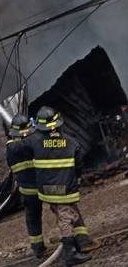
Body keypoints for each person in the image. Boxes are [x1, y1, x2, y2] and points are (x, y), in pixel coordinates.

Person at [28, 106, 93, 265]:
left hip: (47, 192)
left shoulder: (34, 143)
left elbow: (18, 148)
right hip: (65, 189)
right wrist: (75, 179)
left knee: (65, 214)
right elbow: (79, 167)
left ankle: (77, 242)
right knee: (66, 217)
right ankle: (70, 254)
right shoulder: (72, 143)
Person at [6, 114, 45, 258]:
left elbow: (11, 166)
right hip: (45, 185)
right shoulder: (36, 141)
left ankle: (38, 248)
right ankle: (75, 239)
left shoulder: (11, 148)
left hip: (28, 191)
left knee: (33, 218)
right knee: (63, 210)